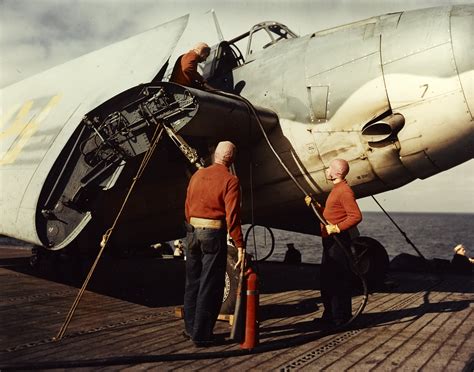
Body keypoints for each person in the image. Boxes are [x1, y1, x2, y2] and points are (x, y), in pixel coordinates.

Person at [183, 141, 245, 347]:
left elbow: (187, 206)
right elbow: (233, 217)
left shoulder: (197, 175)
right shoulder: (231, 180)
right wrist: (240, 244)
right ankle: (201, 335)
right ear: (232, 159)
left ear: (215, 155)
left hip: (191, 232)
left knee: (192, 282)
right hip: (212, 235)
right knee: (210, 284)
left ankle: (190, 328)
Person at [306, 158, 362, 327]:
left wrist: (337, 228)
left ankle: (338, 318)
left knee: (336, 280)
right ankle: (330, 315)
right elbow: (331, 214)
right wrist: (316, 206)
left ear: (336, 172)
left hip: (337, 242)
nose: (326, 170)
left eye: (329, 168)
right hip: (330, 242)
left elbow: (356, 216)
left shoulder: (344, 191)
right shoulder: (337, 189)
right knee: (328, 279)